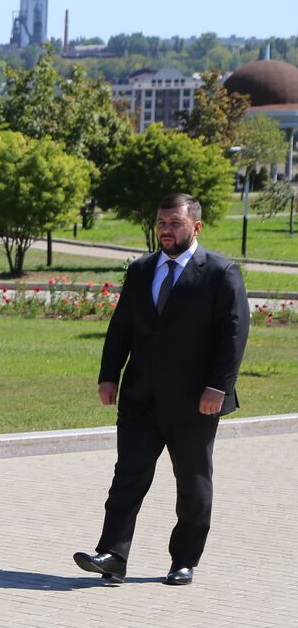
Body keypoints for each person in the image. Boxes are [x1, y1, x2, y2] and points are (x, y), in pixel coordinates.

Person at [74, 193, 249, 587]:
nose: (166, 231)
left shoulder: (221, 272)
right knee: (128, 476)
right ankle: (113, 556)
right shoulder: (140, 270)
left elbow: (233, 335)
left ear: (196, 226)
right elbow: (121, 327)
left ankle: (184, 561)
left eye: (174, 223)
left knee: (192, 481)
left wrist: (218, 388)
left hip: (195, 402)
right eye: (161, 223)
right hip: (141, 398)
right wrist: (109, 375)